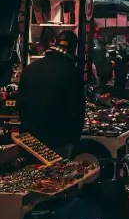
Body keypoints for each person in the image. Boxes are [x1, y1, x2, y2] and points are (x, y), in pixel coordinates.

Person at [16, 30, 85, 159]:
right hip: (59, 140)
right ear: (74, 49)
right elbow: (77, 110)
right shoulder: (72, 73)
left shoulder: (30, 69)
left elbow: (19, 104)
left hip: (30, 140)